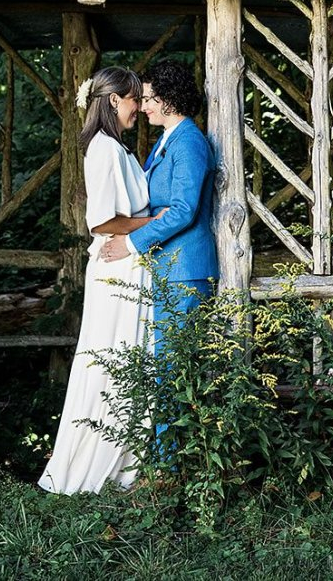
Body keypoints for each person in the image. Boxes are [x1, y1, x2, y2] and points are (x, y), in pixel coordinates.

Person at [38, 66, 157, 494]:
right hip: (117, 264)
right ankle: (94, 466)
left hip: (128, 262)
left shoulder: (115, 147)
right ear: (113, 100)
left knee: (128, 357)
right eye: (134, 99)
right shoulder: (104, 148)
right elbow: (102, 221)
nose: (139, 108)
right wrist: (155, 222)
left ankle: (128, 463)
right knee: (113, 357)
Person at [99, 60, 219, 350]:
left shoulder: (189, 142)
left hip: (185, 270)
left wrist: (130, 243)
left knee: (175, 366)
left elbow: (183, 211)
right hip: (168, 269)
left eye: (148, 99)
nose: (142, 107)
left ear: (169, 98)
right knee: (164, 364)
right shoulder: (168, 139)